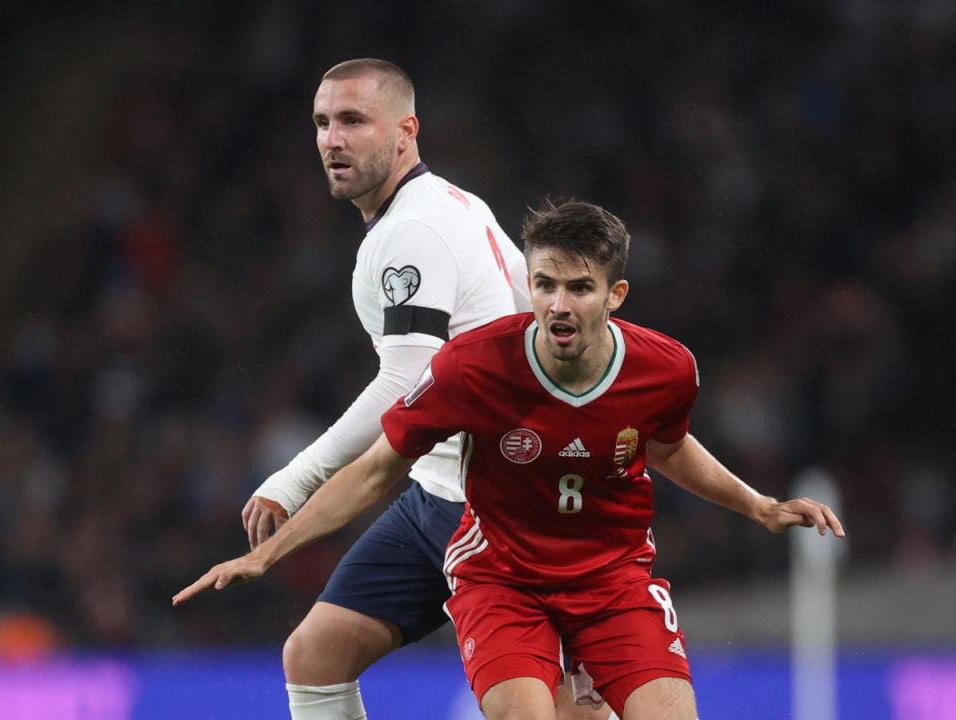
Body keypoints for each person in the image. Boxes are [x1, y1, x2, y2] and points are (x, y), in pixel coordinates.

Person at [175, 199, 845, 719]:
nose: (557, 304)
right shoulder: (473, 366)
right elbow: (377, 469)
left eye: (579, 287)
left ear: (615, 296)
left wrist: (757, 505)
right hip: (503, 578)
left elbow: (666, 447)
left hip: (614, 582)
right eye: (544, 283)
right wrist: (269, 552)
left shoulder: (666, 369)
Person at [234, 58, 601, 720]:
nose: (332, 140)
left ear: (406, 132)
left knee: (550, 708)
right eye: (322, 123)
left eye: (353, 121)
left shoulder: (412, 230)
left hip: (503, 505)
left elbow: (407, 385)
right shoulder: (448, 204)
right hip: (440, 494)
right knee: (316, 654)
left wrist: (292, 480)